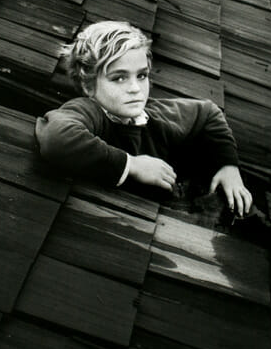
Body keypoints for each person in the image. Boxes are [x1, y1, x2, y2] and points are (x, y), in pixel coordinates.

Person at [35, 20, 253, 216]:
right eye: (119, 78)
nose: (135, 89)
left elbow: (208, 112)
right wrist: (132, 165)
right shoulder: (91, 112)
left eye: (141, 76)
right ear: (88, 85)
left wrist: (228, 166)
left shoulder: (154, 117)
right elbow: (56, 137)